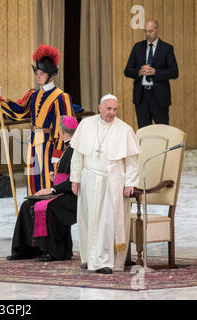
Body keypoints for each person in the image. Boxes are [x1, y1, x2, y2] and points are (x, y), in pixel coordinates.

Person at [70, 94, 141, 274]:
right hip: (88, 179)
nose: (112, 113)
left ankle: (105, 262)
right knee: (88, 220)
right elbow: (78, 154)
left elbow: (132, 160)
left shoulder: (124, 129)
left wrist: (130, 183)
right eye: (108, 109)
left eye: (115, 109)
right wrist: (75, 178)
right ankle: (89, 258)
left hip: (113, 181)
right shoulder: (86, 125)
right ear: (100, 107)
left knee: (107, 223)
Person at [0, 44, 75, 196]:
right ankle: (32, 213)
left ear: (51, 75)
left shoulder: (61, 97)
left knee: (47, 181)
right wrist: (0, 102)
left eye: (42, 73)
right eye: (37, 73)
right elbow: (19, 110)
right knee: (33, 181)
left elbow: (65, 129)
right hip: (33, 143)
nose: (38, 76)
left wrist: (58, 156)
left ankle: (45, 214)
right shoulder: (33, 94)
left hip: (50, 146)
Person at [7, 116, 78, 262]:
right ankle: (27, 249)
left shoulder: (75, 148)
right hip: (63, 191)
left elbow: (75, 180)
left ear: (61, 131)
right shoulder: (68, 146)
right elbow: (67, 174)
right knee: (28, 205)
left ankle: (55, 251)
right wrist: (55, 178)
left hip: (73, 196)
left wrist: (52, 190)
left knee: (48, 207)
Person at [124, 19, 179, 128]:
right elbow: (127, 71)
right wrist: (139, 72)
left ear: (157, 30)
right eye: (146, 31)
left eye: (151, 31)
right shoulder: (137, 47)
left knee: (162, 130)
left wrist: (155, 72)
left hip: (159, 97)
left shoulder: (166, 48)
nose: (148, 34)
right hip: (142, 96)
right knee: (144, 130)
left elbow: (174, 72)